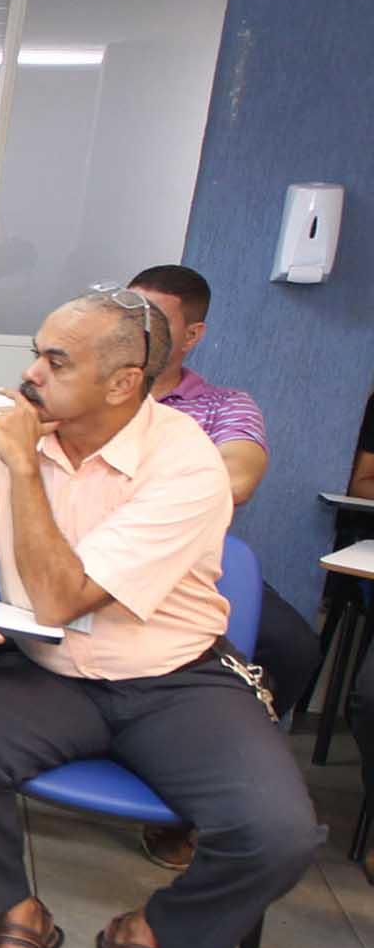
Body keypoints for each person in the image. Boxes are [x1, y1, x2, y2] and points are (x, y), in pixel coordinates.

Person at [0, 290, 320, 948]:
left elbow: (61, 594)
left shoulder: (188, 464)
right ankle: (19, 912)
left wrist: (24, 467)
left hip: (175, 680)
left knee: (278, 831)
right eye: (36, 350)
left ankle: (149, 932)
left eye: (56, 360)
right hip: (48, 670)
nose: (30, 373)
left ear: (122, 381)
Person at [125, 265, 322, 869]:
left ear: (193, 335)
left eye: (157, 322)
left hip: (190, 571)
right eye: (130, 317)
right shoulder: (91, 390)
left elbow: (237, 478)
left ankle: (194, 804)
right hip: (86, 559)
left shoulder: (223, 406)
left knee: (291, 648)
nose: (138, 332)